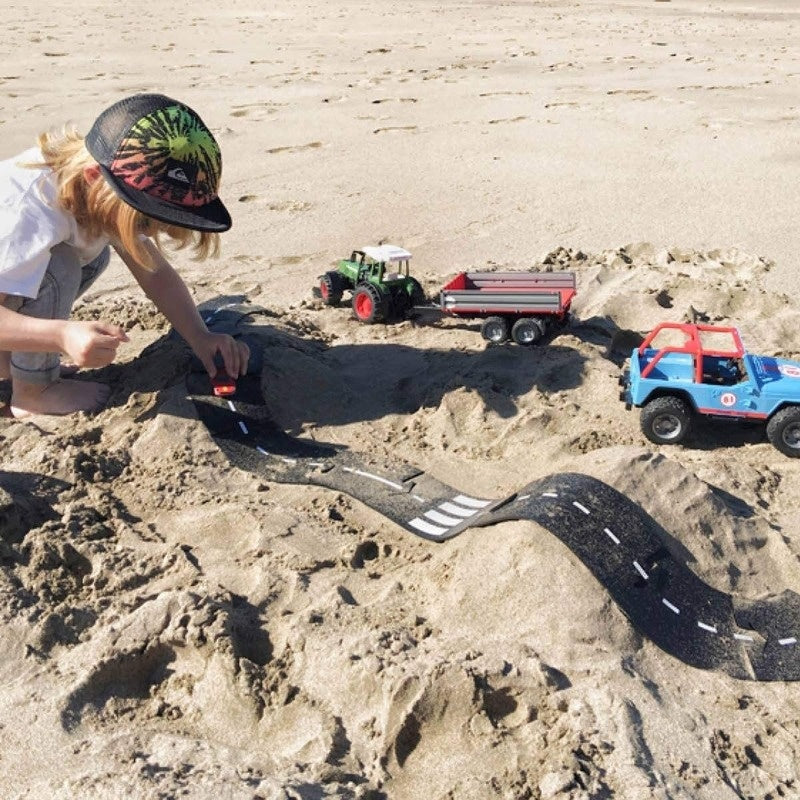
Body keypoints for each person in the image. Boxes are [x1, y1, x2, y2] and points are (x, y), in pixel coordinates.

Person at [0, 93, 249, 417]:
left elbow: (154, 272)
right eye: (145, 218)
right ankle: (35, 391)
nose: (151, 230)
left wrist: (200, 336)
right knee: (60, 267)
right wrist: (62, 335)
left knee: (95, 254)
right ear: (94, 177)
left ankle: (11, 363)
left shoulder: (95, 192)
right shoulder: (27, 216)